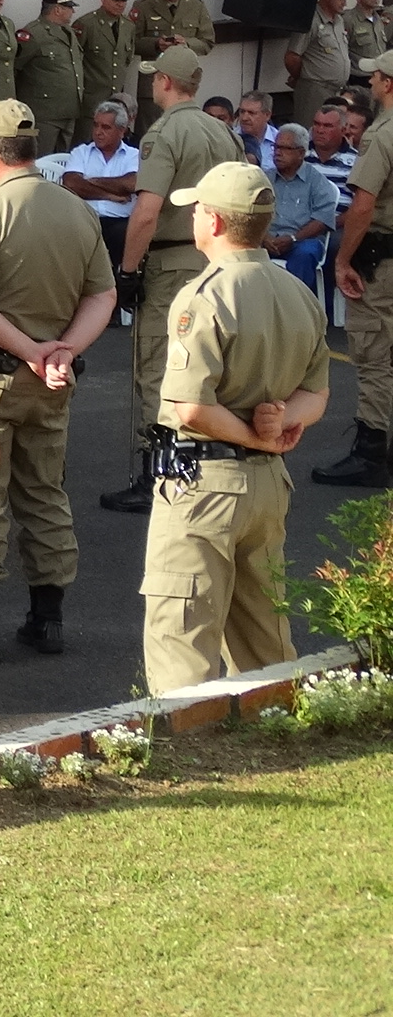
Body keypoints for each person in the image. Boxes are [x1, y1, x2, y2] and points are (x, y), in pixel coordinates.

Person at [141, 162, 331, 693]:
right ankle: (277, 732)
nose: (194, 218)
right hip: (268, 483)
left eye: (198, 209)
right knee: (265, 636)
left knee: (183, 639)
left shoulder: (204, 296)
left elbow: (190, 407)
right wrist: (281, 423)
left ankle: (185, 761)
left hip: (203, 484)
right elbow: (316, 394)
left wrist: (254, 434)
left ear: (216, 223)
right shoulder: (298, 293)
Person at [0, 99, 117, 664]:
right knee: (45, 491)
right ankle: (48, 618)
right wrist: (63, 351)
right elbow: (102, 294)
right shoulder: (76, 210)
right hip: (53, 381)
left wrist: (30, 351)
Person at [101, 44, 240, 514]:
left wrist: (126, 270)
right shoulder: (222, 132)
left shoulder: (164, 134)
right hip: (218, 259)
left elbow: (146, 211)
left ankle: (155, 469)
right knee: (213, 362)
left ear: (163, 81)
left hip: (171, 262)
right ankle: (205, 457)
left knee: (158, 365)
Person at [322, 50, 393, 489]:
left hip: (382, 258)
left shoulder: (381, 134)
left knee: (374, 354)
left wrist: (343, 259)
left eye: (376, 76)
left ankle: (371, 452)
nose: (370, 83)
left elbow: (364, 204)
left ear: (388, 83)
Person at [131, 0, 215, 132]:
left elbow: (207, 42)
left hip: (184, 83)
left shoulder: (196, 6)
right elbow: (130, 42)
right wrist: (155, 44)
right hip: (153, 83)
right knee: (150, 132)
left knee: (182, 132)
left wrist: (187, 44)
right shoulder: (144, 6)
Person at [62, 99, 141, 285]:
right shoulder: (81, 152)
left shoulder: (133, 155)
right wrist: (111, 194)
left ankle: (113, 300)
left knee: (123, 238)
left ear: (122, 131)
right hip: (84, 220)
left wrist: (92, 181)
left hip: (119, 224)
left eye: (106, 127)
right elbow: (71, 184)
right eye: (96, 125)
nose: (98, 132)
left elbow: (131, 184)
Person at [265, 124, 340, 296]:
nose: (277, 152)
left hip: (301, 241)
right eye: (276, 147)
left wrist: (292, 238)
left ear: (301, 153)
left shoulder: (317, 182)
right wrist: (264, 237)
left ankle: (294, 308)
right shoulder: (264, 178)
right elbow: (251, 213)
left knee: (306, 253)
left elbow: (322, 220)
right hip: (266, 240)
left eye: (285, 148)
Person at [14, 0, 82, 154]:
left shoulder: (69, 33)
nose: (73, 11)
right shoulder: (34, 34)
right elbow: (15, 68)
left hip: (69, 111)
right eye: (69, 7)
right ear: (57, 10)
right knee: (42, 159)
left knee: (62, 161)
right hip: (44, 114)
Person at [286, 0, 356, 126]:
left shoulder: (339, 20)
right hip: (315, 90)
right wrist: (304, 78)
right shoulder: (311, 20)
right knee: (311, 129)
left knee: (332, 132)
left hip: (337, 90)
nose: (344, 2)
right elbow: (292, 57)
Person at [74, 0, 139, 133]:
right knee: (86, 143)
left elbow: (126, 59)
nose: (120, 4)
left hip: (117, 103)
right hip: (91, 101)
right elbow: (75, 60)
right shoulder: (86, 24)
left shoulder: (128, 26)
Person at [233, 90, 278, 168]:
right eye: (242, 111)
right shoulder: (231, 137)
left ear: (267, 115)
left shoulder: (279, 140)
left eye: (251, 113)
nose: (244, 118)